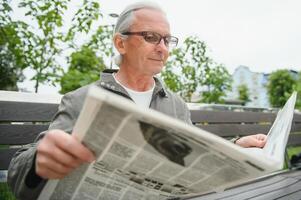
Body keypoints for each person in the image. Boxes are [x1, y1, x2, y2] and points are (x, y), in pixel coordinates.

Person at [7, 2, 267, 199]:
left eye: (167, 40)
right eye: (151, 37)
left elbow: (195, 153)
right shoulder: (81, 99)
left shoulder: (175, 104)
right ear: (121, 43)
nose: (163, 48)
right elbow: (18, 176)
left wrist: (237, 146)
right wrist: (38, 162)